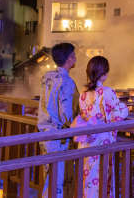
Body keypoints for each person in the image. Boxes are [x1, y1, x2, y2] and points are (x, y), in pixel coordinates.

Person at [72, 56, 128, 198]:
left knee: (87, 176)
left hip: (86, 141)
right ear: (104, 74)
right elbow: (119, 113)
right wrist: (125, 108)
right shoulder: (108, 92)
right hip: (103, 141)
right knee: (102, 175)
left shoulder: (83, 94)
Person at [37, 43, 79, 198]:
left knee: (49, 175)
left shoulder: (47, 76)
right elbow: (66, 115)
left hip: (43, 132)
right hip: (58, 136)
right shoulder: (67, 82)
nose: (75, 58)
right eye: (73, 55)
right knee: (57, 179)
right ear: (69, 59)